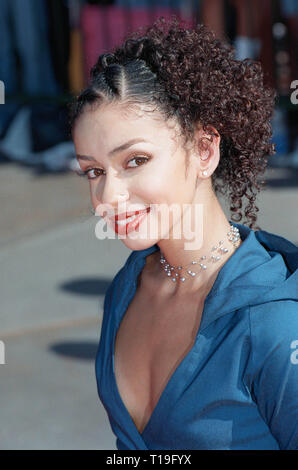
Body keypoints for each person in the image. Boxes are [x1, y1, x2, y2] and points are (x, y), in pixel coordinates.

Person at [68, 17, 298, 450]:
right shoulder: (127, 287)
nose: (107, 196)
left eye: (135, 160)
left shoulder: (276, 321)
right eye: (94, 171)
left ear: (204, 149)